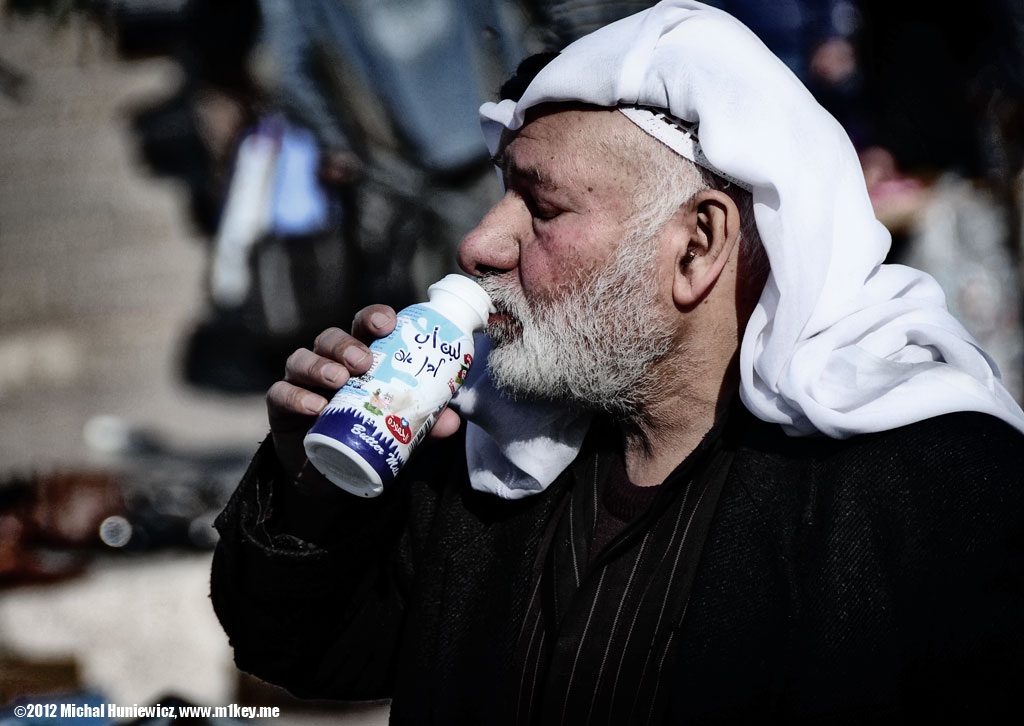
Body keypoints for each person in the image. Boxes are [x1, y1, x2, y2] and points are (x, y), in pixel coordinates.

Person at [210, 2, 1024, 723]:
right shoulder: (491, 448)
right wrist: (312, 491)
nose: (481, 242)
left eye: (542, 204)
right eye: (501, 193)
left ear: (697, 244)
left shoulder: (936, 497)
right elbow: (300, 651)